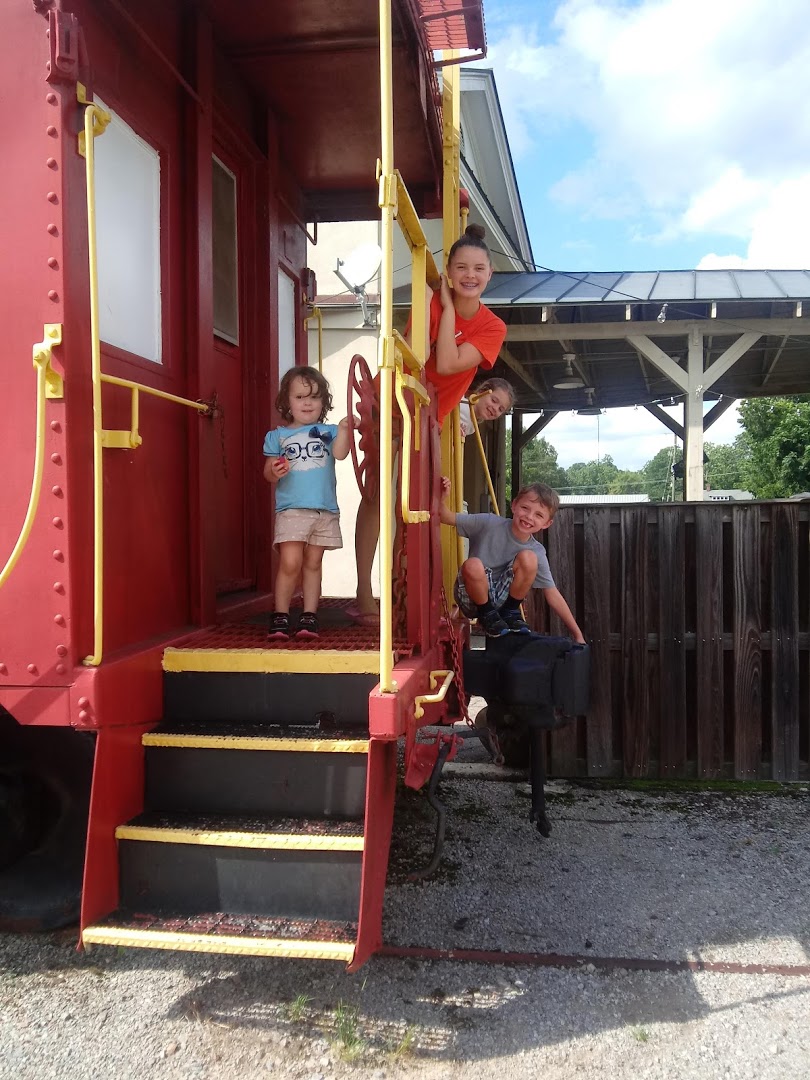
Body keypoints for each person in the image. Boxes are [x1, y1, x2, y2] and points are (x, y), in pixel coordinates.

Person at [349, 224, 508, 624]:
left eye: (479, 268)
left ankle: (406, 597)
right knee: (376, 496)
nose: (470, 275)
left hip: (426, 417)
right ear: (449, 272)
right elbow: (418, 357)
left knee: (414, 507)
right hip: (391, 400)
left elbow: (448, 364)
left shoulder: (492, 326)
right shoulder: (428, 299)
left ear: (490, 274)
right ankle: (364, 593)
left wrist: (449, 310)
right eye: (461, 267)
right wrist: (437, 302)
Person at [439, 476, 586, 642]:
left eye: (539, 515)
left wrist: (577, 634)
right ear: (514, 505)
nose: (529, 516)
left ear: (547, 523)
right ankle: (487, 614)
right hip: (472, 599)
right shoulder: (488, 523)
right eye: (525, 508)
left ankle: (510, 612)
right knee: (472, 564)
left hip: (502, 601)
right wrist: (443, 496)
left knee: (529, 558)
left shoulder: (536, 550)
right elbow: (445, 516)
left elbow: (551, 593)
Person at [263, 366, 350, 641]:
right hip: (291, 509)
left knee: (313, 563)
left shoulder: (327, 432)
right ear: (286, 401)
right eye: (300, 397)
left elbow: (341, 453)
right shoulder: (278, 436)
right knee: (290, 562)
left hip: (324, 510)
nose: (307, 403)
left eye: (314, 397)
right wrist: (274, 470)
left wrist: (345, 430)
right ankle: (280, 614)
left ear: (323, 402)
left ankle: (309, 616)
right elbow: (268, 473)